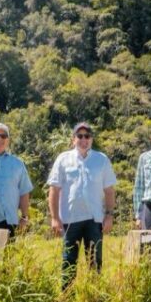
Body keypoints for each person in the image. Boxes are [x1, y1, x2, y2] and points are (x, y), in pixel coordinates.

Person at [47, 122, 117, 288]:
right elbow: (54, 190)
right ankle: (66, 296)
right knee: (68, 262)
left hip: (95, 219)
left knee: (95, 261)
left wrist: (109, 216)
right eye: (80, 136)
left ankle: (94, 297)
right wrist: (55, 218)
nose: (84, 140)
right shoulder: (63, 159)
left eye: (87, 136)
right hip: (70, 219)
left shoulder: (101, 160)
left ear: (91, 139)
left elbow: (109, 191)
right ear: (73, 139)